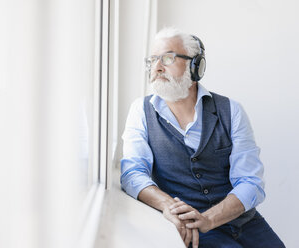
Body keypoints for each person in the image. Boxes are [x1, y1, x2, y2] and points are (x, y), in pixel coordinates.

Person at [120, 27, 285, 248]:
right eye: (153, 60)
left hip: (245, 223)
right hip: (194, 228)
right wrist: (169, 206)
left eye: (167, 58)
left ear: (195, 66)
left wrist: (210, 218)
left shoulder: (231, 110)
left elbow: (251, 182)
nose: (157, 67)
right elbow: (132, 173)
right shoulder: (140, 111)